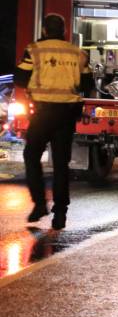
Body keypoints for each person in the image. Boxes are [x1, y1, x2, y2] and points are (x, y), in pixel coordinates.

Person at [14, 13, 92, 230]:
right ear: (64, 30)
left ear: (45, 31)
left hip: (43, 113)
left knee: (31, 155)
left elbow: (20, 79)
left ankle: (40, 204)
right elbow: (86, 84)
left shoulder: (34, 50)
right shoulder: (78, 53)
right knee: (60, 164)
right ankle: (60, 213)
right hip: (66, 115)